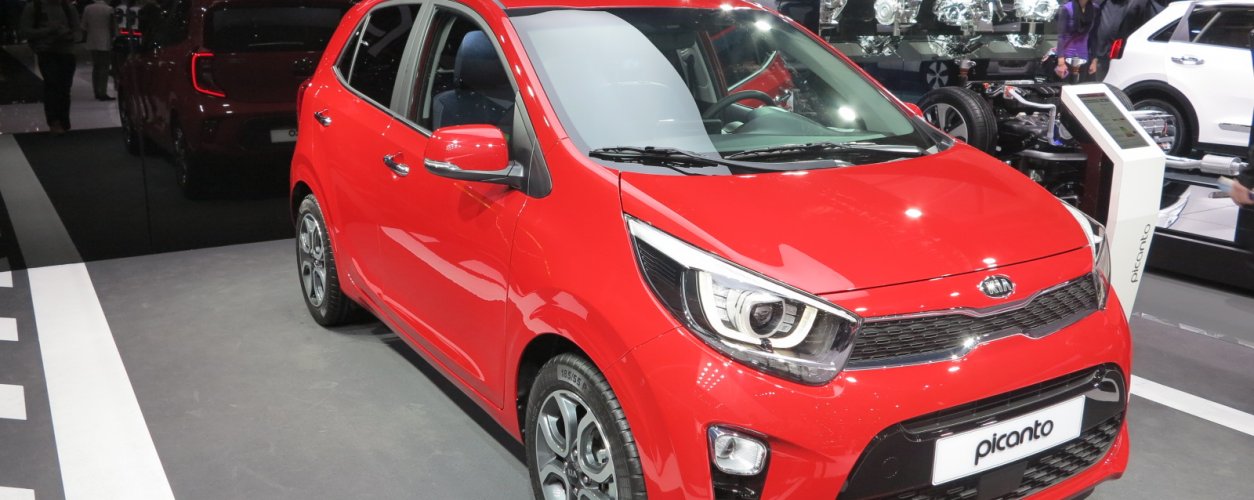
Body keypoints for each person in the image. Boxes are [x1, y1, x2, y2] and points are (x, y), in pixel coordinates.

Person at [19, 0, 79, 135]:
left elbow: (78, 32)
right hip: (46, 53)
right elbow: (24, 31)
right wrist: (48, 31)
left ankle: (63, 121)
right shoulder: (34, 7)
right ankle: (54, 121)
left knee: (64, 88)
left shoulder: (68, 8)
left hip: (67, 52)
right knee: (52, 85)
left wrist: (67, 34)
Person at [1054, 0, 1099, 82]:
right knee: (1064, 86)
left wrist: (1094, 60)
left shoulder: (1095, 8)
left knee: (1081, 86)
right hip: (1066, 57)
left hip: (1084, 57)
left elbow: (1094, 36)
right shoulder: (1066, 8)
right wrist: (1061, 61)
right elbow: (1061, 36)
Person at [81, 0, 114, 100]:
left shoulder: (87, 8)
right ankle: (102, 92)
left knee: (96, 67)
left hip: (92, 40)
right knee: (104, 67)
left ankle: (96, 91)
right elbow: (112, 26)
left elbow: (83, 26)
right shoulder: (109, 9)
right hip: (105, 40)